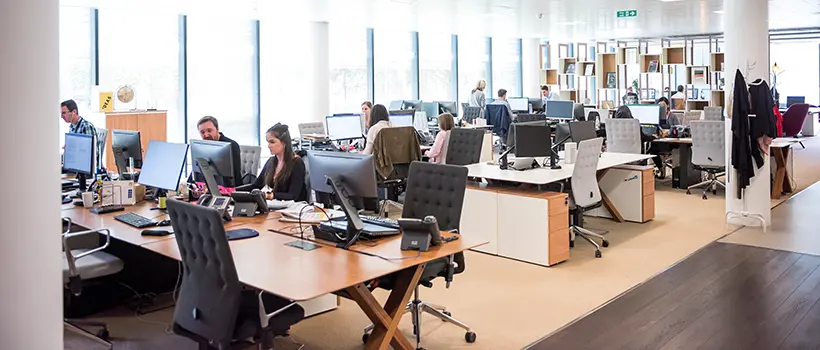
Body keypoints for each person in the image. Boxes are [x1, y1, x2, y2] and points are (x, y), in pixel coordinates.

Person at [249, 123, 307, 202]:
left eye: (272, 142)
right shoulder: (271, 161)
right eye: (268, 142)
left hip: (291, 209)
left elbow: (293, 195)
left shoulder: (296, 163)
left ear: (284, 143)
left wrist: (270, 195)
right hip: (273, 207)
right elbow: (256, 186)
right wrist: (232, 191)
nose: (269, 146)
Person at [190, 116, 243, 187]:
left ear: (217, 129)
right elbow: (198, 169)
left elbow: (234, 175)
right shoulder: (202, 146)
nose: (205, 135)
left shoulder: (231, 145)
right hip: (209, 187)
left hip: (230, 189)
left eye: (209, 130)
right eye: (202, 132)